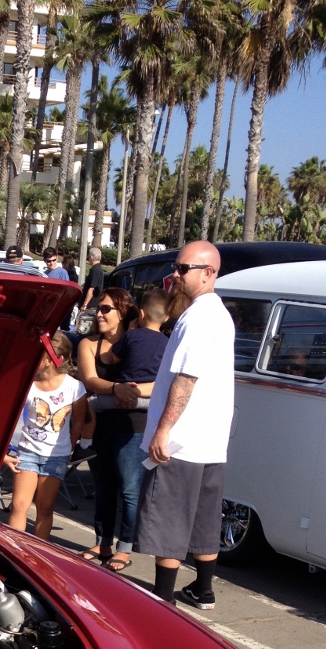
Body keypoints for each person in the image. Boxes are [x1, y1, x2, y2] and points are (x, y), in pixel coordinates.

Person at [133, 241, 235, 608]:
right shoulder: (220, 314)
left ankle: (163, 599)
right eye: (176, 267)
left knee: (169, 518)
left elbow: (185, 379)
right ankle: (203, 589)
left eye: (182, 268)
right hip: (210, 438)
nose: (174, 274)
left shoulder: (197, 318)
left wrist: (163, 430)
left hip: (182, 439)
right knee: (204, 516)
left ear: (208, 273)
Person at [77, 287, 147, 571]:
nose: (99, 314)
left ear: (123, 312)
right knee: (104, 487)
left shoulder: (138, 343)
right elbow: (90, 380)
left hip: (133, 426)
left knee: (130, 490)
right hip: (99, 426)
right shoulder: (88, 343)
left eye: (106, 309)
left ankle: (125, 548)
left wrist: (131, 392)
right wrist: (118, 388)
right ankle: (103, 542)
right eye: (98, 309)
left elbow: (152, 382)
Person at [4, 331, 87, 540]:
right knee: (19, 505)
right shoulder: (28, 383)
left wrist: (70, 446)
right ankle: (14, 548)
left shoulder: (74, 387)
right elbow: (8, 418)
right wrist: (4, 454)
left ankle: (39, 551)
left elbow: (79, 421)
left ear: (49, 360)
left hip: (56, 455)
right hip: (27, 451)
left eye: (37, 354)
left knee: (46, 507)